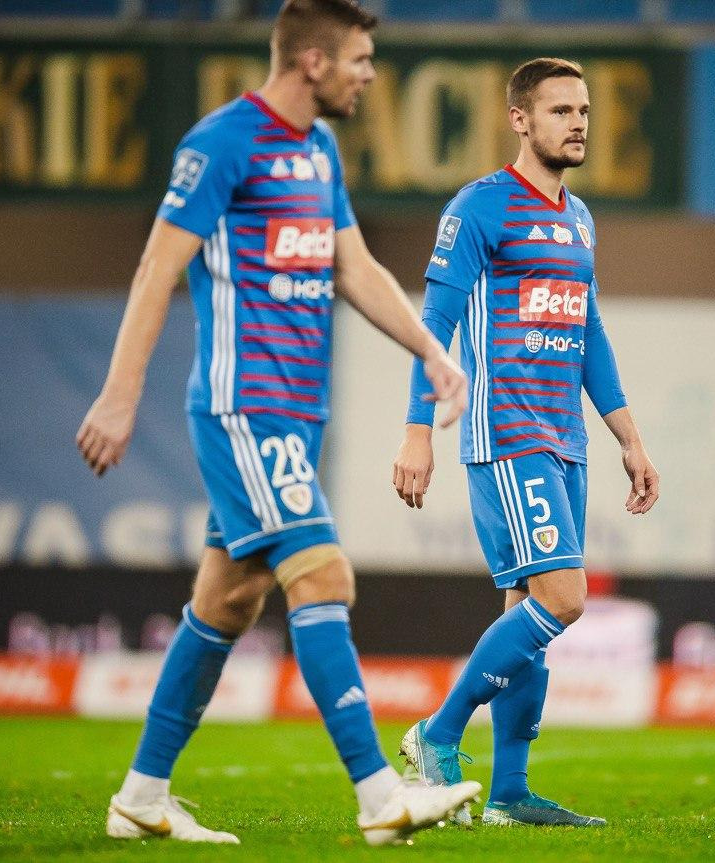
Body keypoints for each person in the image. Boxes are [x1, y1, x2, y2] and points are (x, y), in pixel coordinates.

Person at [75, 0, 478, 847]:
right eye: (360, 59)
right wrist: (118, 394)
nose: (370, 75)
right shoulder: (222, 142)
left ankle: (141, 795)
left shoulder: (318, 149)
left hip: (296, 413)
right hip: (244, 405)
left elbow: (354, 268)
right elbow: (157, 267)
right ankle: (380, 796)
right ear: (313, 63)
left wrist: (431, 352)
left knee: (228, 598)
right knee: (323, 574)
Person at [389, 57, 659, 827]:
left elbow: (589, 334)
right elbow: (433, 326)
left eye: (584, 111)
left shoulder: (580, 219)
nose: (578, 123)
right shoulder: (480, 207)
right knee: (563, 599)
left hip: (565, 439)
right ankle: (437, 733)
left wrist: (630, 439)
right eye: (561, 110)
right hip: (507, 433)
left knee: (529, 617)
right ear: (520, 119)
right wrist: (417, 431)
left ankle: (509, 790)